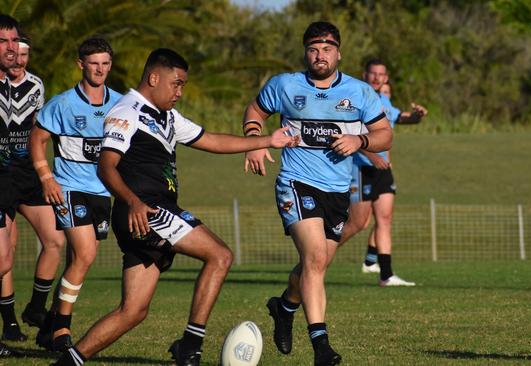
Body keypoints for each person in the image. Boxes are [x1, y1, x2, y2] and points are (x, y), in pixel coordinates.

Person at [51, 47, 298, 366]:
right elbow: (106, 166)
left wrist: (267, 141)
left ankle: (69, 361)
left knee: (133, 312)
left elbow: (212, 141)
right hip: (146, 211)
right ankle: (190, 347)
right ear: (154, 77)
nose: (180, 91)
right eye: (176, 83)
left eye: (182, 84)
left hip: (149, 212)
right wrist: (133, 201)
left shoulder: (166, 117)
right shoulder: (127, 113)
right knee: (220, 255)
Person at [243, 22, 392, 366]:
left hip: (338, 191)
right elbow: (255, 111)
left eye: (326, 49)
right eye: (313, 49)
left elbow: (385, 135)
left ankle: (284, 308)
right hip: (296, 183)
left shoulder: (359, 92)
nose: (319, 55)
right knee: (314, 258)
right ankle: (321, 346)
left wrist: (360, 141)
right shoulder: (284, 85)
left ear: (338, 53)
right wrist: (254, 141)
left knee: (318, 261)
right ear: (305, 52)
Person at [29, 37, 122, 351]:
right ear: (81, 64)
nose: (100, 70)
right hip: (69, 189)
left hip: (101, 193)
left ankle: (47, 324)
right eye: (94, 63)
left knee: (80, 260)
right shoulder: (63, 103)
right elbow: (36, 140)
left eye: (105, 63)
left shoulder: (120, 104)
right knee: (85, 255)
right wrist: (46, 178)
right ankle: (62, 331)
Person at [2, 36, 67, 341]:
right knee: (6, 254)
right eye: (15, 53)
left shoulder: (36, 86)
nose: (20, 59)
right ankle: (9, 322)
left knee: (55, 239)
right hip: (2, 175)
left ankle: (36, 307)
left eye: (25, 54)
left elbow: (38, 131)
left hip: (28, 174)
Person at [341, 59, 427, 286]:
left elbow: (400, 118)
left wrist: (416, 116)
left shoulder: (385, 101)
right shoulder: (356, 99)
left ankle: (386, 275)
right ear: (365, 75)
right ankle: (320, 251)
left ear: (386, 78)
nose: (377, 78)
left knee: (385, 219)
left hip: (384, 169)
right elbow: (351, 136)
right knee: (358, 224)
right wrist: (374, 156)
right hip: (362, 167)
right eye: (373, 74)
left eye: (381, 74)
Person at [0, 12, 25, 358]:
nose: (11, 48)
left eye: (13, 41)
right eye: (3, 41)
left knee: (4, 257)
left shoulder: (6, 82)